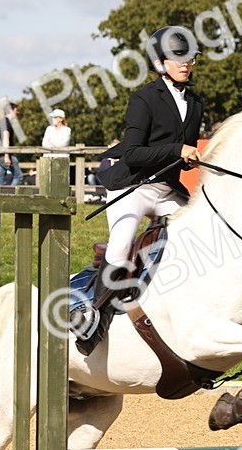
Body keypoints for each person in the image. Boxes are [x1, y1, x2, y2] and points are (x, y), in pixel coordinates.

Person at [76, 26, 203, 355]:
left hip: (166, 188)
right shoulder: (144, 98)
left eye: (190, 58)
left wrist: (187, 160)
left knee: (200, 235)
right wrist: (177, 151)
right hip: (133, 185)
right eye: (179, 58)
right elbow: (132, 152)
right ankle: (93, 321)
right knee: (119, 251)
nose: (186, 64)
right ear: (160, 63)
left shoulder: (196, 102)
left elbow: (179, 151)